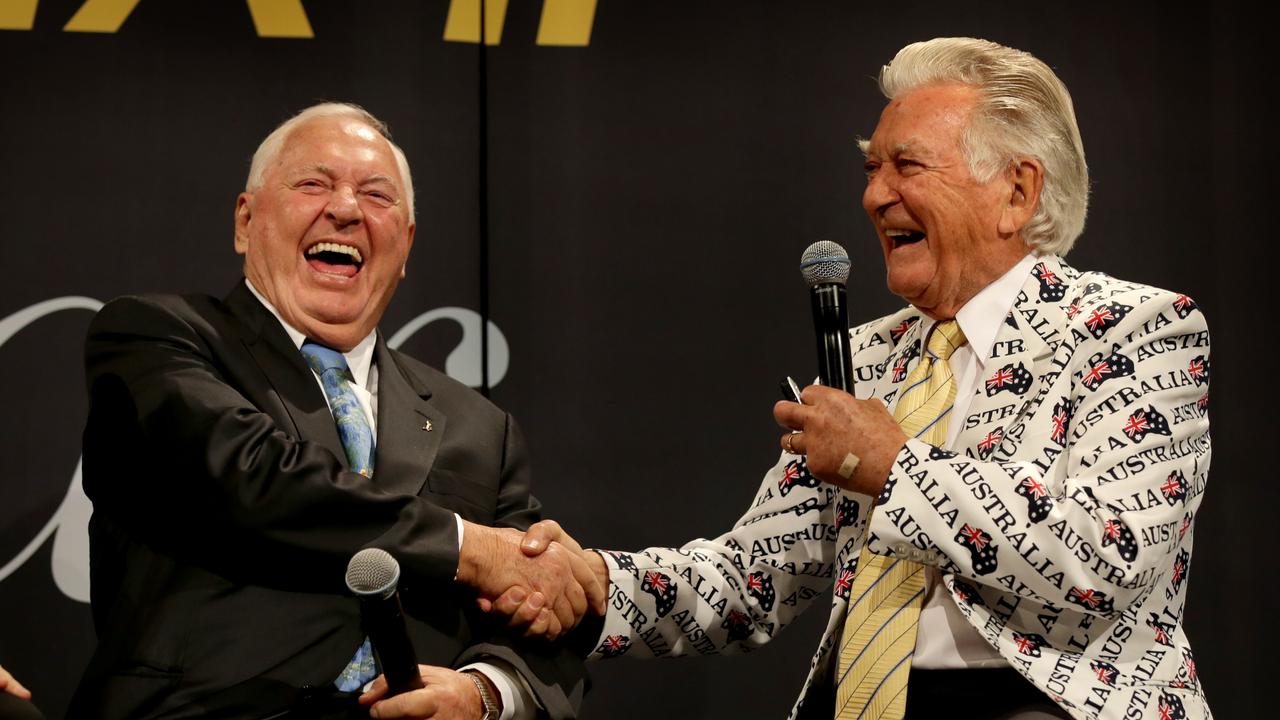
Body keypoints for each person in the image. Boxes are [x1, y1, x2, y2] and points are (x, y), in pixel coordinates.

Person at [501, 38, 1212, 720]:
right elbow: (753, 576)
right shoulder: (866, 358)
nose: (876, 196)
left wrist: (896, 466)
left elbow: (1108, 555)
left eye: (907, 166)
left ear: (1016, 192)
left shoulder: (1133, 329)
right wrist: (597, 585)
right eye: (872, 169)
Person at [69, 103, 604, 720]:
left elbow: (548, 619)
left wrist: (485, 692)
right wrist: (472, 549)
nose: (346, 209)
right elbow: (256, 478)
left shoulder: (481, 428)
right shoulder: (159, 339)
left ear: (404, 247)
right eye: (313, 184)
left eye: (377, 196)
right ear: (246, 221)